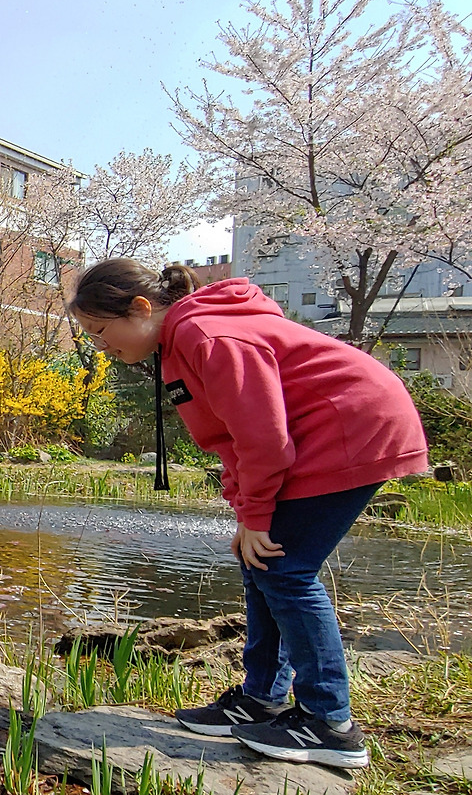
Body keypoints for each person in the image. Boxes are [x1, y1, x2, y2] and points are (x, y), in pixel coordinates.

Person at [66, 258, 428, 770]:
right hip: (322, 436)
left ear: (141, 308)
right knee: (261, 563)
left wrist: (257, 514)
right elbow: (231, 438)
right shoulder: (179, 344)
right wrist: (246, 513)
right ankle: (262, 699)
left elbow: (264, 436)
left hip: (351, 429)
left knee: (285, 570)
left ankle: (330, 723)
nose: (100, 345)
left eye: (101, 331)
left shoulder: (204, 334)